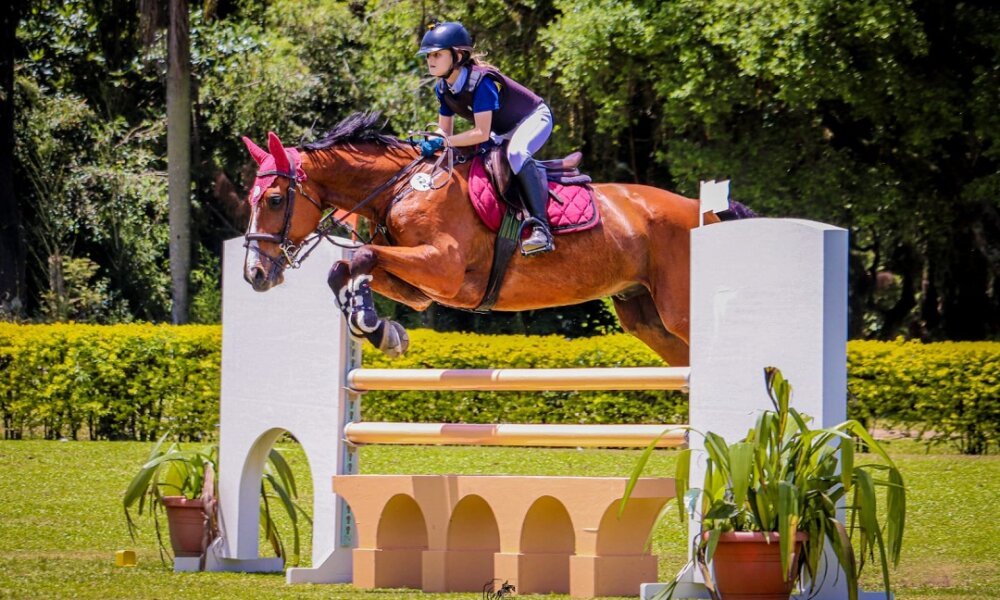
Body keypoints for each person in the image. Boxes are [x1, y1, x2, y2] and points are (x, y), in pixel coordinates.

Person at [417, 21, 555, 255]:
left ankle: (542, 228)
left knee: (516, 153)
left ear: (457, 56)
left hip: (533, 118)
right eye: (428, 55)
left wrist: (446, 141)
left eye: (437, 54)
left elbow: (480, 133)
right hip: (501, 129)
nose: (430, 60)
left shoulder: (481, 82)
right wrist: (432, 140)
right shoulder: (443, 88)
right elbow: (445, 132)